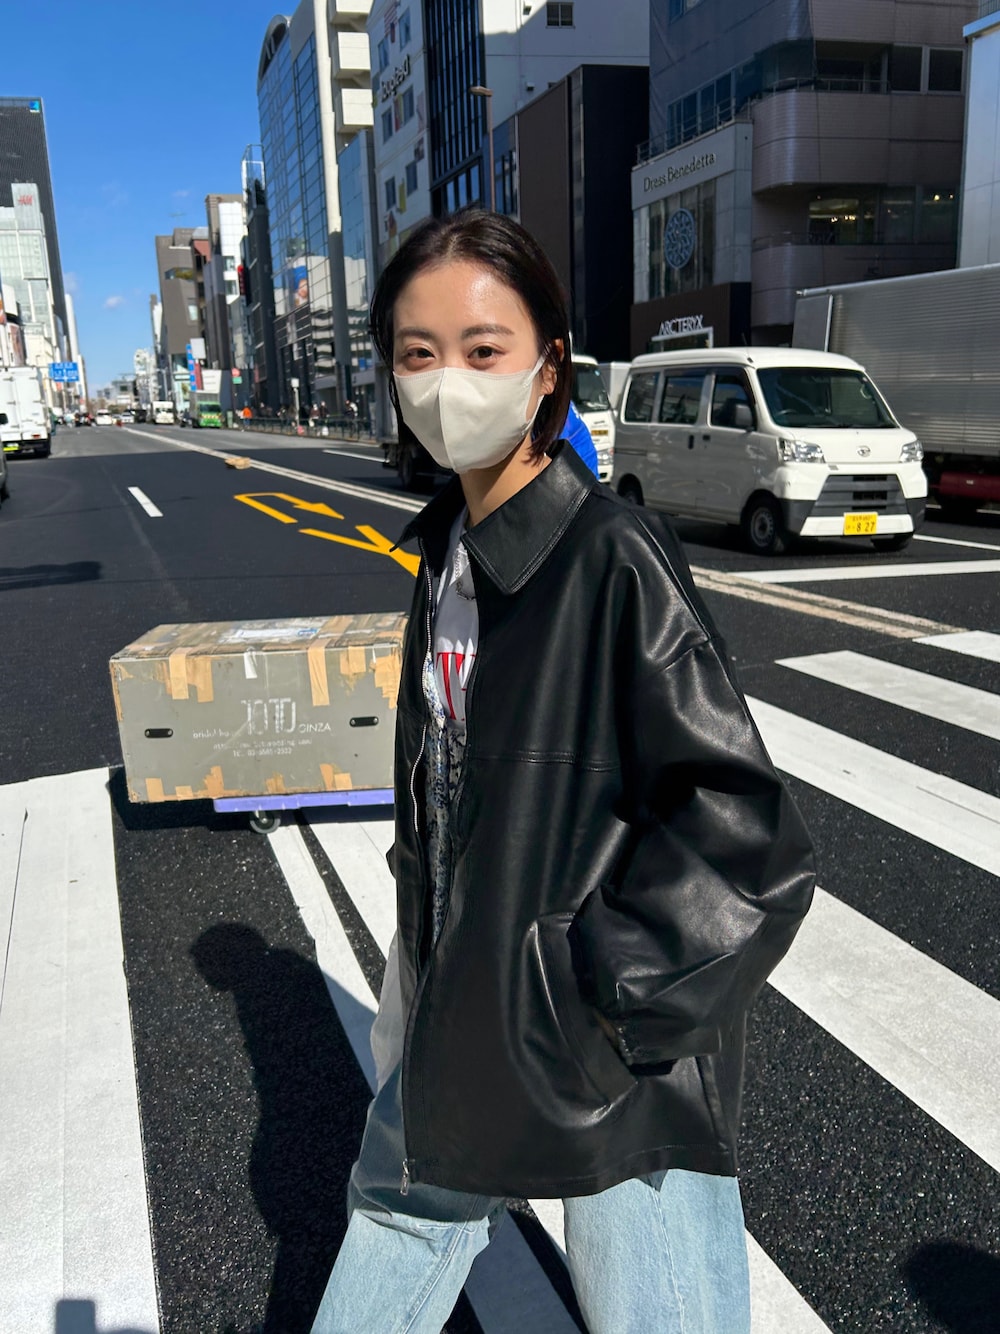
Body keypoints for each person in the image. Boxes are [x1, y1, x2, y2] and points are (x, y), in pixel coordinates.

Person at [310, 209, 815, 1334]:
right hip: (463, 1012)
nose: (448, 381)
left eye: (483, 349)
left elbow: (746, 840)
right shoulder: (448, 552)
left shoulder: (609, 556)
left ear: (548, 369)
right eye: (417, 353)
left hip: (610, 1054)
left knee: (657, 1307)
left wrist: (600, 1003)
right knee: (396, 1212)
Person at [560, 397, 598, 475]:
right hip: (586, 462)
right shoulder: (563, 402)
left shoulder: (557, 408)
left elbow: (556, 447)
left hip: (579, 467)